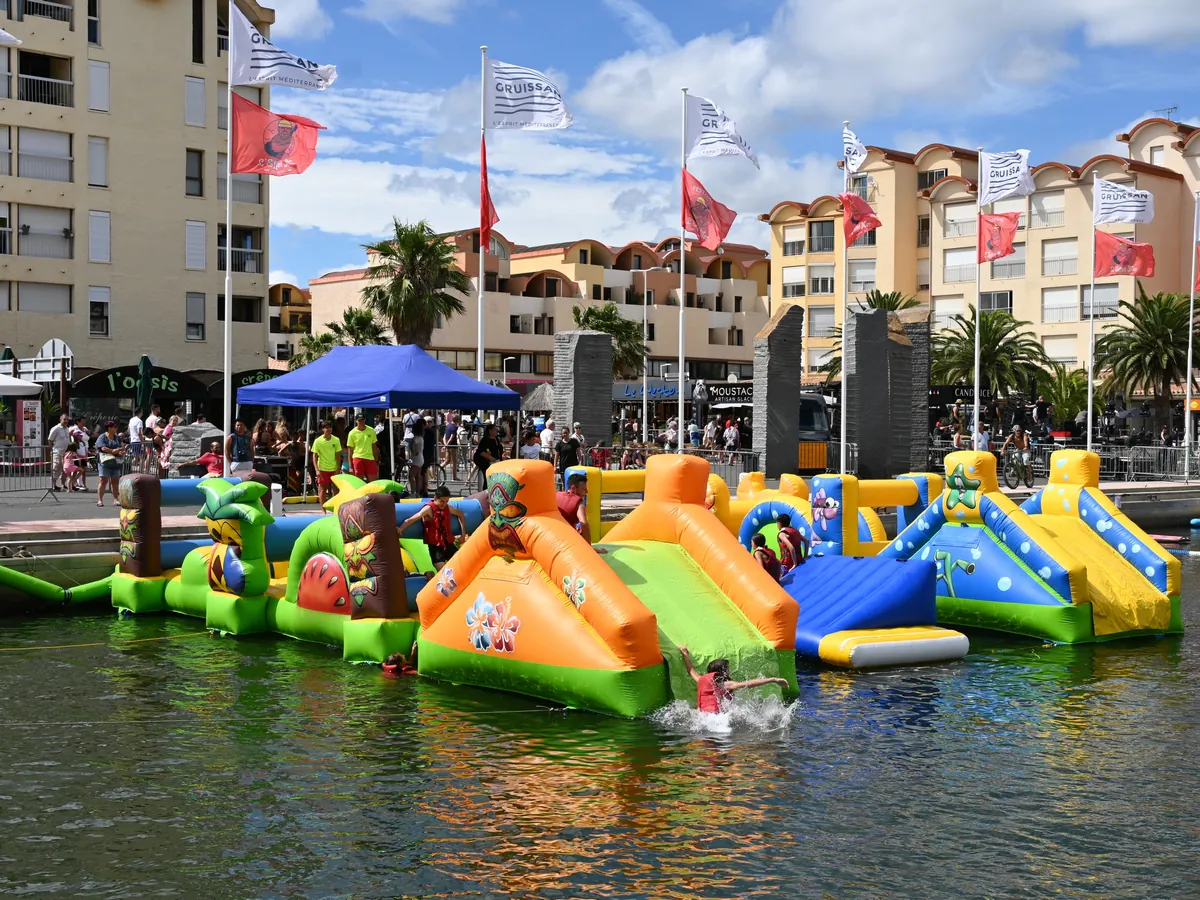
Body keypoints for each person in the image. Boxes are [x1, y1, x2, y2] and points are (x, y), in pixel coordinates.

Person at [678, 646, 789, 713]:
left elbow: (691, 670)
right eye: (728, 669)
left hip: (702, 717)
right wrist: (774, 679)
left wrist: (685, 654)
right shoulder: (725, 684)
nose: (729, 671)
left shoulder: (701, 680)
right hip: (717, 719)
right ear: (723, 672)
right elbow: (749, 684)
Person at [400, 486, 467, 571]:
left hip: (448, 543)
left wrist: (463, 534)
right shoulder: (428, 508)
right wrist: (400, 529)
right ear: (435, 498)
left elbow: (461, 514)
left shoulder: (448, 507)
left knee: (462, 564)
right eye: (442, 501)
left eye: (446, 501)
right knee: (443, 573)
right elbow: (411, 519)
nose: (444, 504)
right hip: (435, 547)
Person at [556, 472, 605, 550]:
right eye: (584, 489)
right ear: (574, 488)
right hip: (567, 543)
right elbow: (584, 523)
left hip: (554, 540)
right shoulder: (579, 503)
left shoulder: (556, 495)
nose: (586, 492)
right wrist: (590, 548)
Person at [311, 420, 343, 506]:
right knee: (322, 489)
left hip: (333, 468)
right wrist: (317, 470)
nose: (329, 429)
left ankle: (336, 508)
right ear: (322, 429)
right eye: (326, 427)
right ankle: (323, 510)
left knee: (336, 489)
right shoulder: (318, 441)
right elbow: (314, 456)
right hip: (322, 468)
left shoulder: (336, 440)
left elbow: (338, 455)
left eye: (330, 427)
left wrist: (338, 468)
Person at [94, 420, 125, 507]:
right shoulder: (102, 437)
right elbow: (103, 448)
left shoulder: (117, 437)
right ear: (109, 428)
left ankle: (116, 499)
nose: (116, 428)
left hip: (116, 462)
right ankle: (100, 500)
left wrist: (119, 451)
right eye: (114, 427)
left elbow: (121, 447)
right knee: (103, 480)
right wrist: (113, 451)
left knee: (115, 481)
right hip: (105, 461)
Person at [346, 413, 380, 482]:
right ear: (356, 421)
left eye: (362, 420)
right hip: (358, 458)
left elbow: (374, 447)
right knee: (358, 482)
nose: (361, 422)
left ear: (365, 420)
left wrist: (376, 461)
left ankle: (371, 493)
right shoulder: (352, 433)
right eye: (359, 420)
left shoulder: (371, 430)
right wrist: (350, 466)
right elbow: (350, 451)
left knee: (373, 482)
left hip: (370, 458)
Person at [473, 422, 503, 489]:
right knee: (488, 478)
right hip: (486, 462)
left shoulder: (496, 439)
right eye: (495, 429)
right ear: (490, 430)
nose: (496, 431)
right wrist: (491, 459)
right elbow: (481, 452)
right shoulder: (485, 440)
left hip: (496, 461)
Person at [47, 412, 71, 492]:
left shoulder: (67, 429)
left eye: (67, 419)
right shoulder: (56, 428)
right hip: (57, 452)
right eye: (64, 419)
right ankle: (53, 485)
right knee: (55, 468)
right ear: (60, 419)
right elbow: (50, 440)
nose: (66, 421)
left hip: (66, 453)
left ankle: (63, 485)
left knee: (64, 469)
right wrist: (53, 449)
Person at [408, 418, 426, 498]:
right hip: (421, 458)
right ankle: (417, 493)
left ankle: (412, 492)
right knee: (418, 476)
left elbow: (414, 451)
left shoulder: (415, 439)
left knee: (411, 475)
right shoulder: (421, 438)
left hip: (416, 459)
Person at [128, 407, 146, 473]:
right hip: (138, 441)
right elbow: (139, 432)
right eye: (142, 412)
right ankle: (141, 472)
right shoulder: (139, 421)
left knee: (136, 457)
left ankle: (128, 468)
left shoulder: (131, 420)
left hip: (133, 440)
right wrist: (142, 442)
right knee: (142, 458)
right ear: (140, 412)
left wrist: (131, 437)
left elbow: (129, 430)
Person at [443, 413, 460, 479]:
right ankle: (454, 477)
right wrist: (447, 444)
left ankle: (439, 469)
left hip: (448, 446)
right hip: (452, 446)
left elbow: (444, 437)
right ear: (457, 420)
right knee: (454, 462)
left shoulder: (448, 426)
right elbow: (452, 437)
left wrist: (445, 444)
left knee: (447, 460)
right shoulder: (455, 427)